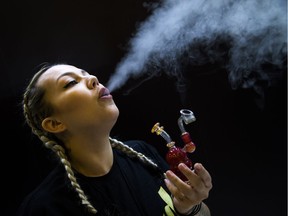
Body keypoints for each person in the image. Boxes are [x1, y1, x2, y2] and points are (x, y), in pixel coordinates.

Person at [17, 63, 213, 216]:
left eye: (86, 73)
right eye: (70, 83)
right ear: (54, 124)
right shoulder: (45, 207)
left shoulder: (143, 155)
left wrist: (189, 208)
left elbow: (203, 213)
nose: (93, 79)